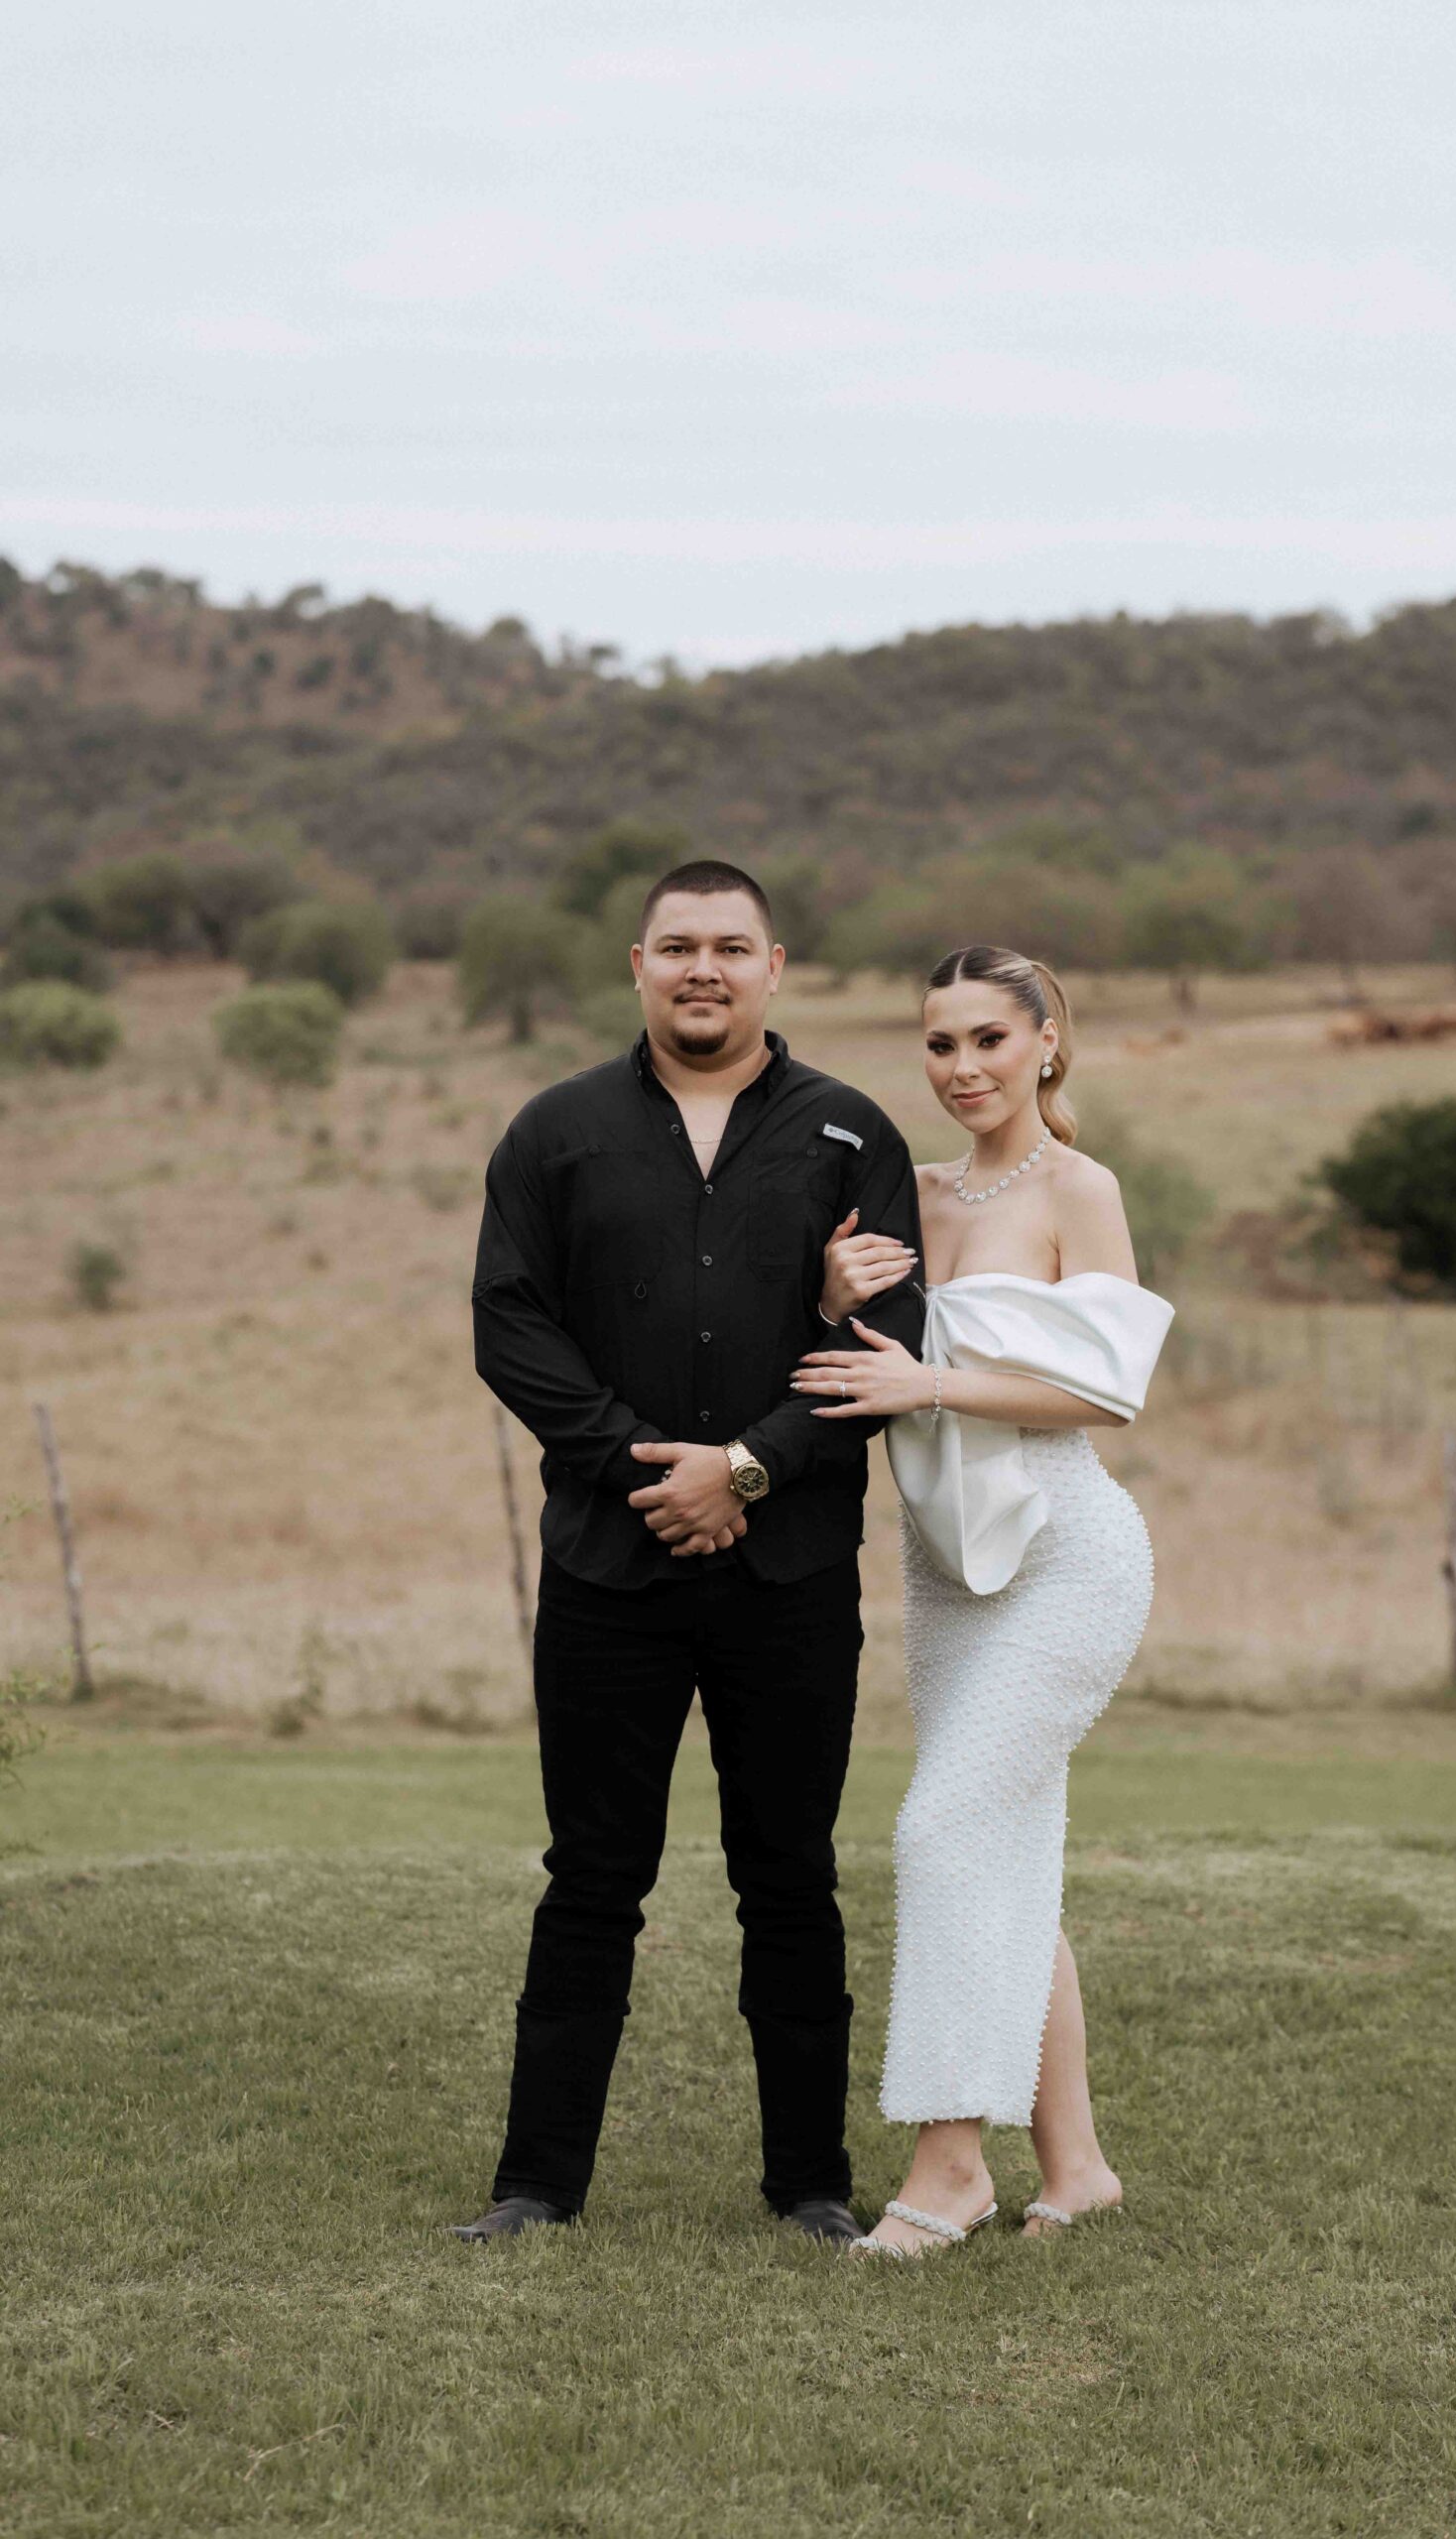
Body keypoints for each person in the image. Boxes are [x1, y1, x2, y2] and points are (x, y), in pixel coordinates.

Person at [454, 860, 924, 2246]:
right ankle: (537, 2187)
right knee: (593, 1878)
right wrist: (646, 1471)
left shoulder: (851, 1133)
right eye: (677, 947)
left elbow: (890, 1346)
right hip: (610, 1570)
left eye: (729, 946)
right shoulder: (556, 1132)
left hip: (791, 1575)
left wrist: (749, 1467)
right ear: (639, 965)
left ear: (775, 965)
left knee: (790, 1876)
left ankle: (811, 2184)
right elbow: (509, 1325)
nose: (701, 969)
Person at [789, 943, 1173, 2256]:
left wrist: (933, 1384)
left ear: (1046, 1041)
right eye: (940, 1043)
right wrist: (831, 1300)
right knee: (1001, 1856)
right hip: (949, 1570)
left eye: (988, 1040)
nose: (961, 1067)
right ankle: (1079, 2168)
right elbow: (852, 1366)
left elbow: (1108, 1391)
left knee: (945, 1832)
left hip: (1067, 1557)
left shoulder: (1079, 1189)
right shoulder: (909, 1194)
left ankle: (950, 2168)